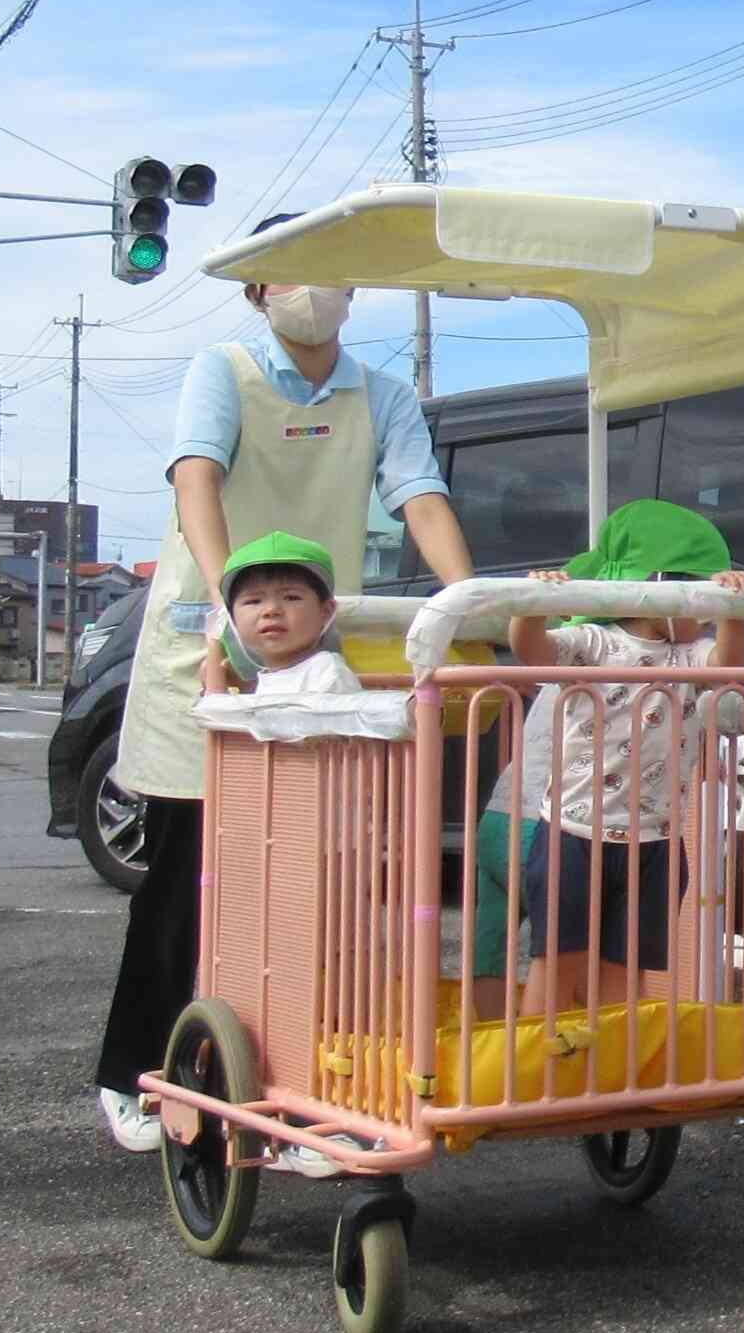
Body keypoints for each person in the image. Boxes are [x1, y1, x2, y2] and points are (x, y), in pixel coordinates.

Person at [92, 235, 472, 1155]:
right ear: (258, 292)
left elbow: (418, 493)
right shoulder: (223, 370)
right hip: (214, 643)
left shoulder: (380, 394)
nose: (314, 292)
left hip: (311, 653)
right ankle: (134, 1070)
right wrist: (229, 599)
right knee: (189, 872)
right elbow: (197, 481)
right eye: (293, 276)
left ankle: (302, 1083)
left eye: (332, 272)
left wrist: (466, 601)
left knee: (315, 883)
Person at [506, 499, 744, 1018]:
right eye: (698, 594)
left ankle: (613, 1072)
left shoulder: (690, 657)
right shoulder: (594, 642)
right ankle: (535, 1078)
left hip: (657, 838)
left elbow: (730, 659)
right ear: (660, 587)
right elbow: (531, 649)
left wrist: (736, 608)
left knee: (626, 970)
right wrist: (533, 602)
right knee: (558, 959)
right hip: (574, 833)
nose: (704, 613)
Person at [194, 531, 360, 699]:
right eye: (253, 601)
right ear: (232, 619)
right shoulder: (267, 678)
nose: (271, 610)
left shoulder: (327, 674)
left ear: (325, 612)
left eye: (291, 597)